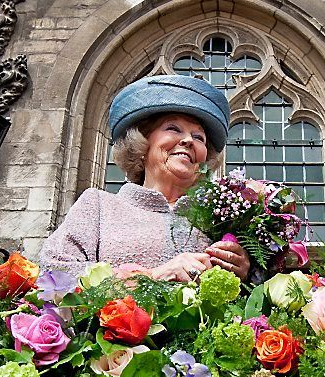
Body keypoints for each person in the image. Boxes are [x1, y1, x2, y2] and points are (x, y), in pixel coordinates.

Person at [39, 75, 250, 282]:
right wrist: (152, 277)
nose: (187, 140)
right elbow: (54, 272)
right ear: (142, 143)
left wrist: (247, 273)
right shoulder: (99, 205)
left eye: (199, 137)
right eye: (173, 129)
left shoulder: (222, 216)